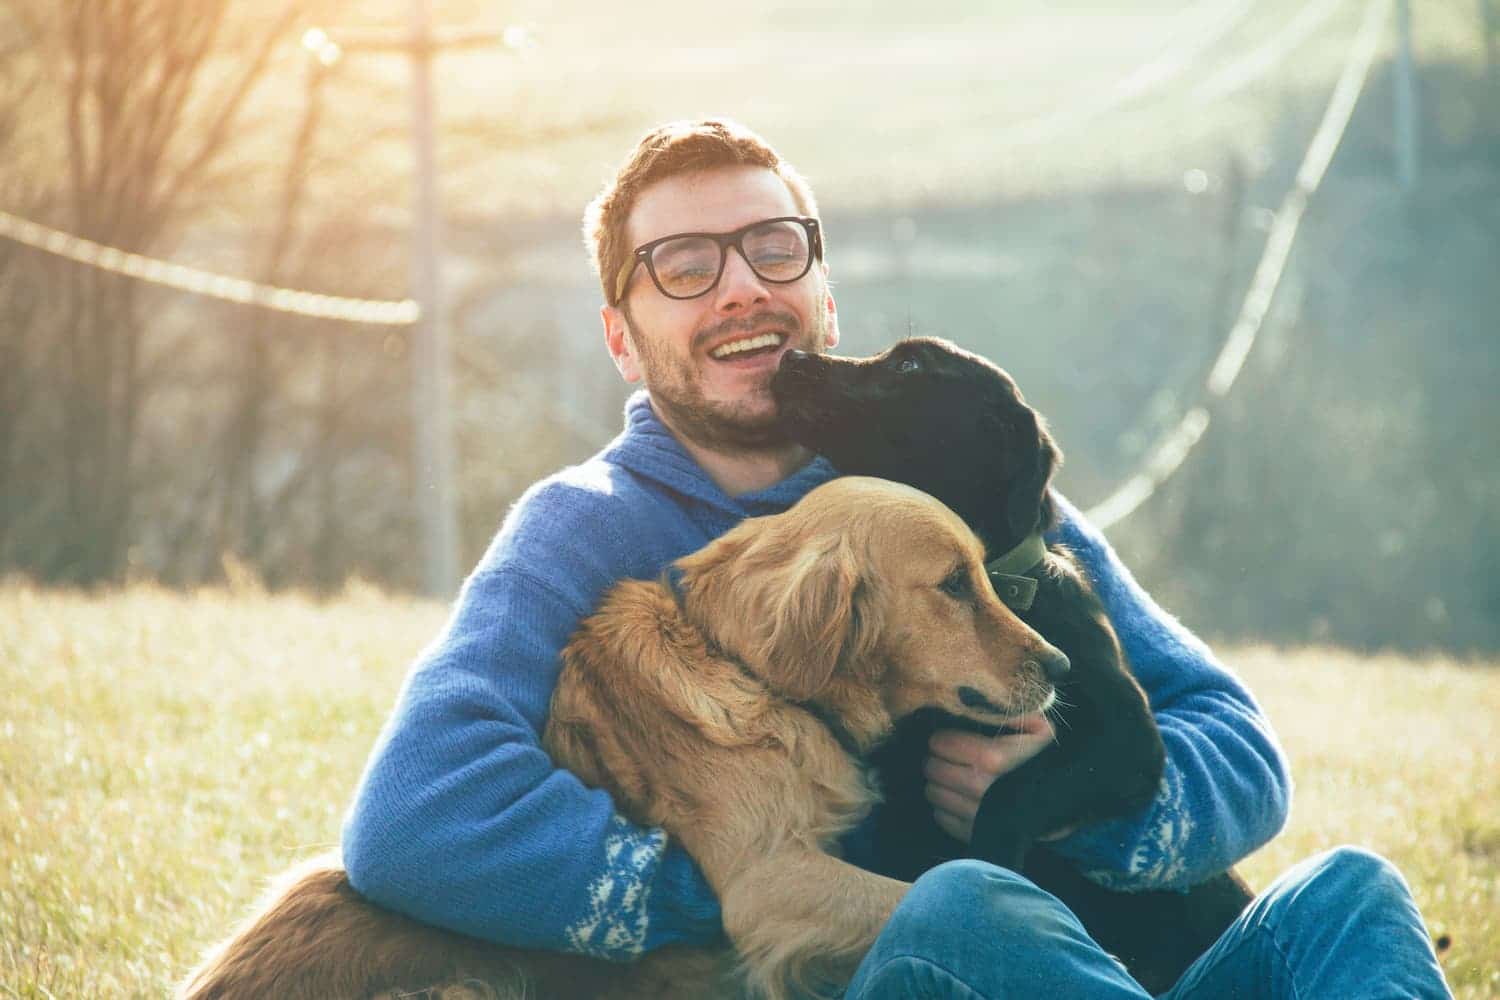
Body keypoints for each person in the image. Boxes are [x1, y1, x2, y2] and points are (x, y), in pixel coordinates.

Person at [341, 119, 1451, 998]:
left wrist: (1072, 803)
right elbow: (409, 817)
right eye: (682, 265)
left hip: (1076, 972)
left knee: (1350, 894)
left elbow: (1241, 750)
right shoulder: (576, 532)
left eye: (773, 248)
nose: (739, 285)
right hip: (888, 966)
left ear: (825, 294)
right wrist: (732, 877)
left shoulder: (935, 487)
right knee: (958, 908)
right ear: (621, 336)